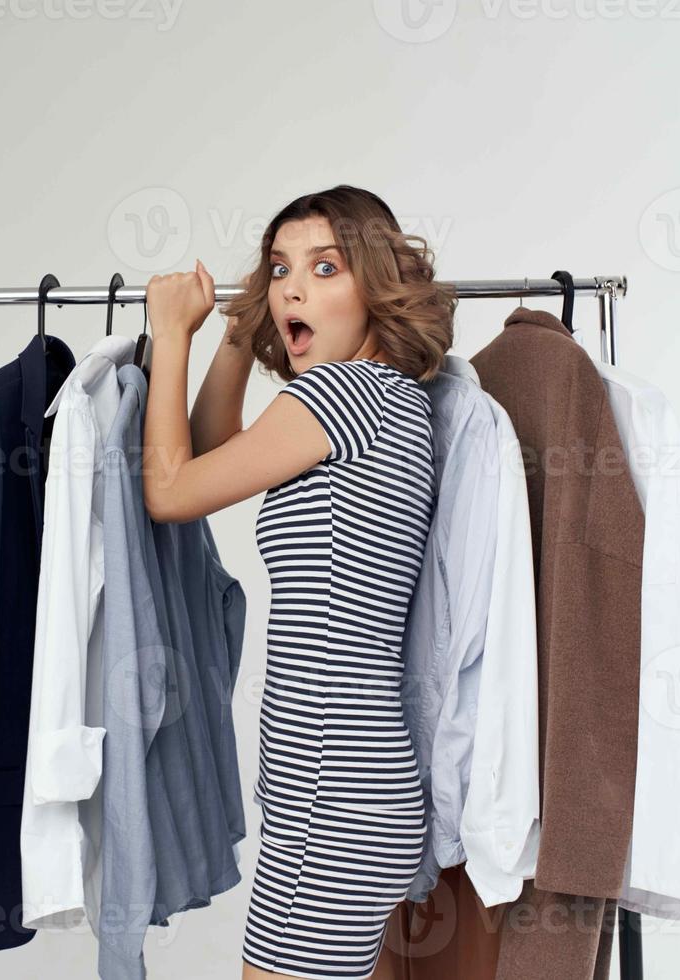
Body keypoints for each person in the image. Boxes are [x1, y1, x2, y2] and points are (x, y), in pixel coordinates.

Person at [142, 185, 456, 980]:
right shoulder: (395, 399)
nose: (291, 287)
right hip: (356, 778)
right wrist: (244, 334)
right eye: (280, 269)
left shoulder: (340, 393)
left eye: (324, 267)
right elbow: (219, 451)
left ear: (377, 283)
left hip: (330, 792)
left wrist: (169, 334)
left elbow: (173, 491)